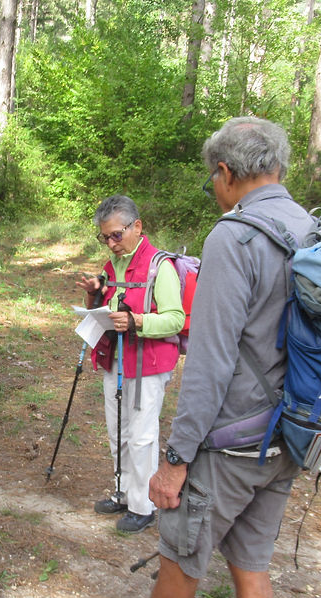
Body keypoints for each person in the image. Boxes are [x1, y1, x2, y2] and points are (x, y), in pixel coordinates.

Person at [71, 117, 313, 598]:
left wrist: (175, 458)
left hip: (231, 441)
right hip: (288, 434)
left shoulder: (236, 237)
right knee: (252, 565)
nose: (214, 188)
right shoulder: (308, 228)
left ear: (227, 173)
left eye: (214, 178)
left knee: (182, 554)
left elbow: (209, 357)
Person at [76, 196, 184, 534]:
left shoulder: (158, 266)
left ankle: (143, 505)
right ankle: (123, 493)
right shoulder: (113, 265)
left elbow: (176, 319)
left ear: (137, 226)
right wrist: (95, 295)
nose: (111, 243)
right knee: (117, 431)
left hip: (147, 364)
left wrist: (137, 321)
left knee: (141, 436)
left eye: (116, 235)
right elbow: (110, 307)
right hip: (116, 360)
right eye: (105, 237)